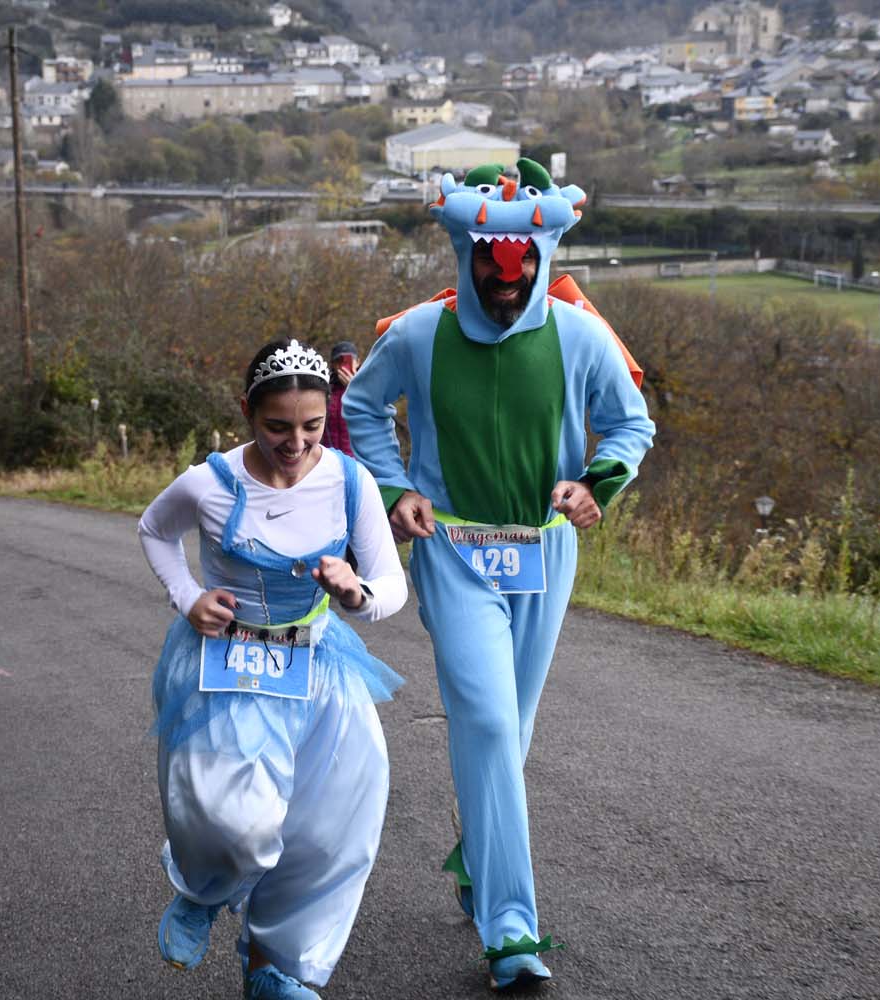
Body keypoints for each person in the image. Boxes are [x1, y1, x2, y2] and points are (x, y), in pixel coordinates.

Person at [342, 159, 654, 991]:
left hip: (546, 551)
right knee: (484, 721)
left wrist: (596, 486)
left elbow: (632, 424)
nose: (502, 280)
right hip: (453, 550)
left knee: (511, 730)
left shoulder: (581, 337)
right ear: (468, 252)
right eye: (488, 260)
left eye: (517, 264)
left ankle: (477, 853)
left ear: (541, 254)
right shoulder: (413, 335)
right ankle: (511, 928)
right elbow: (362, 409)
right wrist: (396, 487)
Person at [138, 338, 407, 1000]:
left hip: (317, 668)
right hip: (226, 667)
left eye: (312, 426)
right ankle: (201, 891)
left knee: (331, 828)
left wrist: (356, 594)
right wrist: (189, 596)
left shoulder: (350, 481)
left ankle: (276, 966)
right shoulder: (208, 482)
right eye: (277, 427)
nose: (296, 442)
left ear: (328, 414)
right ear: (247, 413)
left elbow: (390, 587)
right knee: (236, 823)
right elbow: (153, 530)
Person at [323, 340, 358, 457]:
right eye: (338, 361)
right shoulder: (324, 389)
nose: (342, 365)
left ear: (357, 362)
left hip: (359, 462)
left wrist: (355, 390)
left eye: (347, 361)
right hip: (329, 460)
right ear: (332, 364)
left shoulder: (367, 389)